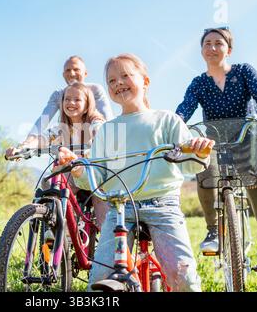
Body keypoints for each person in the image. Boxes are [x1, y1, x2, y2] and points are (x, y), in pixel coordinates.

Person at [57, 53, 215, 292]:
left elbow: (188, 164)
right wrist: (80, 169)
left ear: (145, 81)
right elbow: (97, 179)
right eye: (111, 81)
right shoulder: (109, 130)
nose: (118, 83)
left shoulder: (166, 120)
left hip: (163, 205)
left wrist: (199, 152)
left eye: (125, 76)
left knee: (183, 275)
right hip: (120, 208)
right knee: (99, 280)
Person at [175, 27, 257, 292]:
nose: (212, 48)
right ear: (202, 50)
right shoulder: (198, 83)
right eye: (207, 43)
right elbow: (185, 108)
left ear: (229, 49)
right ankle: (213, 230)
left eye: (219, 43)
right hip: (215, 143)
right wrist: (174, 124)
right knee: (203, 167)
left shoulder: (243, 72)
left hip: (248, 140)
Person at [7, 81, 109, 228]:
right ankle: (56, 227)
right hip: (71, 174)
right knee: (50, 184)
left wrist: (97, 140)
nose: (71, 103)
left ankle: (106, 235)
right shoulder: (61, 128)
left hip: (92, 174)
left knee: (100, 197)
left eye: (77, 99)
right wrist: (23, 148)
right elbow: (42, 139)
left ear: (87, 104)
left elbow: (99, 132)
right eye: (67, 99)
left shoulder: (95, 122)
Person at [6, 56, 113, 156]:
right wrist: (24, 146)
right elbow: (44, 121)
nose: (72, 73)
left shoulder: (95, 92)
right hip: (68, 158)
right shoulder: (60, 123)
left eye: (76, 69)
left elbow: (105, 121)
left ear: (85, 73)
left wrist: (106, 136)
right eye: (67, 99)